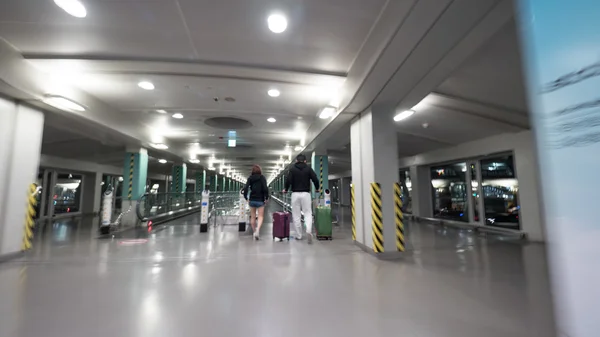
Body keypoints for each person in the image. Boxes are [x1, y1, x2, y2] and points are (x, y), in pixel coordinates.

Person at [283, 154, 320, 244]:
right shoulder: (308, 168)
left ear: (296, 161)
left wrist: (286, 189)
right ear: (305, 161)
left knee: (296, 215)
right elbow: (315, 178)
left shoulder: (292, 169)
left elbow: (288, 180)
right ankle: (308, 230)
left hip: (295, 194)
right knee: (307, 213)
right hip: (306, 194)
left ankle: (299, 235)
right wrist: (317, 188)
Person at [242, 165, 269, 240]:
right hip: (260, 200)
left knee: (253, 217)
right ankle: (258, 230)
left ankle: (254, 231)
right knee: (260, 216)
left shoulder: (250, 178)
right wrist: (266, 197)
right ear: (260, 170)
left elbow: (246, 188)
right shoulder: (262, 177)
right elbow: (265, 188)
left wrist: (246, 197)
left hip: (252, 199)